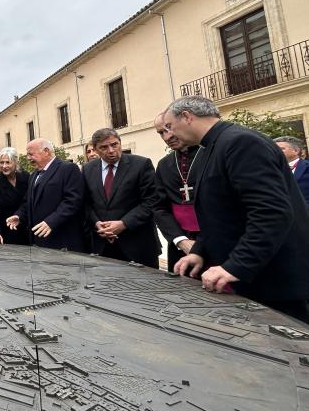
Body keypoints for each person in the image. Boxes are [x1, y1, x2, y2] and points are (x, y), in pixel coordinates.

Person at [165, 96, 309, 323]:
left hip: (274, 281)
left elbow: (271, 212)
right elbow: (221, 212)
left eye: (170, 126)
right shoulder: (211, 147)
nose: (170, 135)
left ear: (186, 116)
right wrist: (199, 251)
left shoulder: (240, 142)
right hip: (252, 278)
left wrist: (236, 265)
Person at [82, 128, 161, 268]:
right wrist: (96, 223)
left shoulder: (141, 165)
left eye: (114, 144)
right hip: (102, 247)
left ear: (120, 143)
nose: (111, 150)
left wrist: (123, 223)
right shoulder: (88, 169)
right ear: (95, 149)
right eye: (104, 147)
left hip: (138, 246)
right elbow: (86, 203)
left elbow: (151, 201)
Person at [6, 139, 85, 250]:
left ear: (46, 151)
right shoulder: (33, 175)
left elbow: (72, 201)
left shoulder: (68, 169)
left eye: (31, 154)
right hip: (39, 242)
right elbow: (28, 202)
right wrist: (19, 216)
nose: (28, 158)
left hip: (62, 241)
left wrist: (51, 222)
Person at [152, 112, 202, 272]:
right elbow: (159, 208)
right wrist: (180, 240)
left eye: (169, 128)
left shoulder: (210, 154)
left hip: (216, 240)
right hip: (179, 244)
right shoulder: (164, 164)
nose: (167, 137)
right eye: (161, 133)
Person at [0, 147, 29, 245]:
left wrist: (20, 215)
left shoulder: (26, 177)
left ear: (15, 163)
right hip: (8, 230)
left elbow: (29, 201)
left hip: (27, 227)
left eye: (7, 162)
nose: (4, 166)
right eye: (1, 163)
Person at [274, 136, 309, 204]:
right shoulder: (270, 169)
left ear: (296, 151)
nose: (276, 151)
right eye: (274, 149)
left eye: (281, 149)